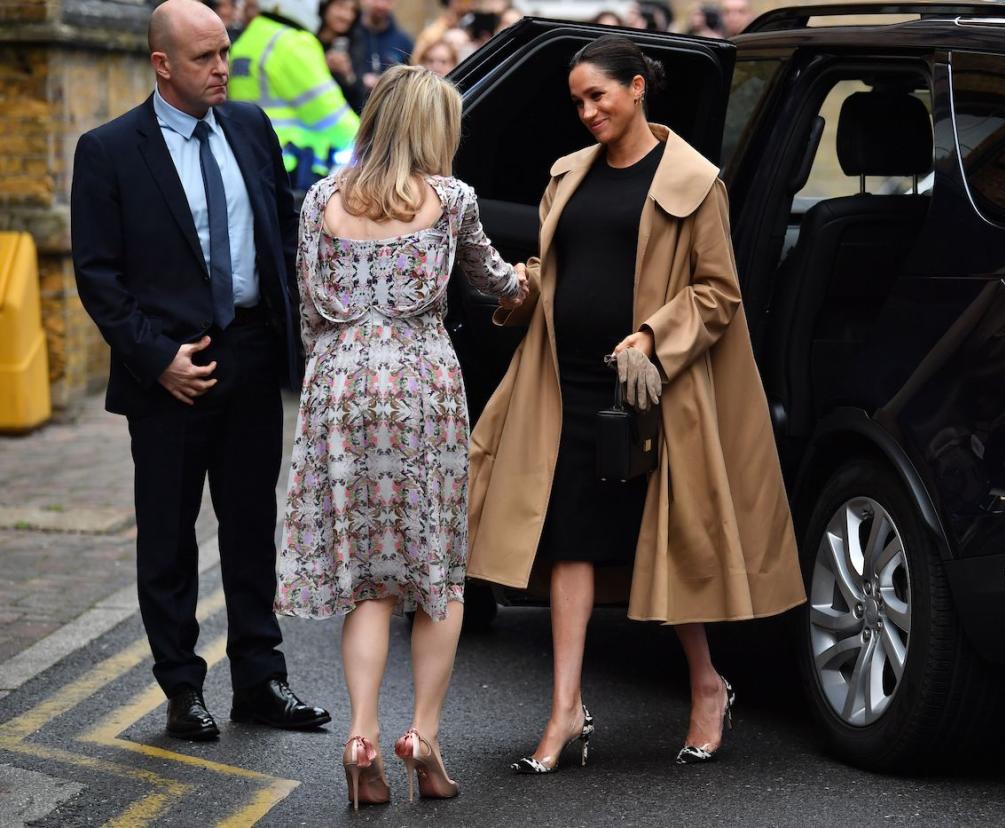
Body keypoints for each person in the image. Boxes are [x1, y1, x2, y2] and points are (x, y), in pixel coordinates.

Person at [466, 34, 805, 772]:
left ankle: (708, 685)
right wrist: (518, 290)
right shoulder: (569, 175)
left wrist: (652, 337)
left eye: (599, 96)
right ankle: (564, 711)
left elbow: (719, 292)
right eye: (578, 100)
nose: (587, 112)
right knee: (568, 542)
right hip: (563, 384)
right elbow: (563, 266)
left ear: (638, 89)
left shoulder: (692, 180)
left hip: (651, 392)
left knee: (666, 546)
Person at [70, 0, 329, 742]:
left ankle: (260, 680)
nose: (223, 68)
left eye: (225, 52)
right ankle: (183, 689)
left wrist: (297, 334)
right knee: (169, 538)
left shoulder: (250, 125)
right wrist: (158, 360)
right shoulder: (110, 150)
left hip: (249, 355)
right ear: (162, 65)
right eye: (205, 58)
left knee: (252, 526)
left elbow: (281, 231)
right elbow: (99, 275)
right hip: (170, 373)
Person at [276, 64, 525, 808]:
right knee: (436, 577)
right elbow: (494, 282)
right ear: (430, 128)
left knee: (370, 585)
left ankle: (360, 735)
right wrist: (532, 286)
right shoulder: (450, 201)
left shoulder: (320, 199)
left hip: (341, 392)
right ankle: (421, 733)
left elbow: (309, 313)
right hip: (421, 389)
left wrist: (340, 371)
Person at [229, 0, 360, 190]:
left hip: (251, 162)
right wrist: (372, 145)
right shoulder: (293, 44)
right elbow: (332, 115)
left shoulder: (249, 38)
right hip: (291, 169)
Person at [351, 0, 414, 96]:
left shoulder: (404, 42)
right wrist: (359, 80)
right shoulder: (349, 34)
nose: (381, 5)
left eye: (387, 1)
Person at [318, 0, 367, 113]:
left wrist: (348, 75)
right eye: (340, 6)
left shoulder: (355, 45)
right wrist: (321, 64)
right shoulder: (306, 39)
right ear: (326, 6)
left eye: (352, 10)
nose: (346, 16)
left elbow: (361, 102)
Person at [412, 0, 472, 65]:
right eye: (467, 1)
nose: (472, 4)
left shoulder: (464, 27)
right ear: (454, 2)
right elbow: (416, 61)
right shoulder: (433, 33)